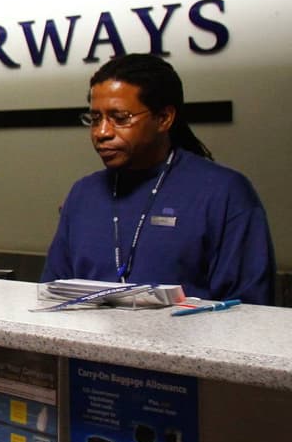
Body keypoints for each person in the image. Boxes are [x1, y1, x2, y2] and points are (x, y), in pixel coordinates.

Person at [41, 54, 275, 305]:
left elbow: (250, 310)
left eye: (120, 119)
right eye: (95, 119)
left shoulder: (223, 193)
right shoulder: (83, 194)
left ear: (164, 118)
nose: (102, 133)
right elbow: (52, 295)